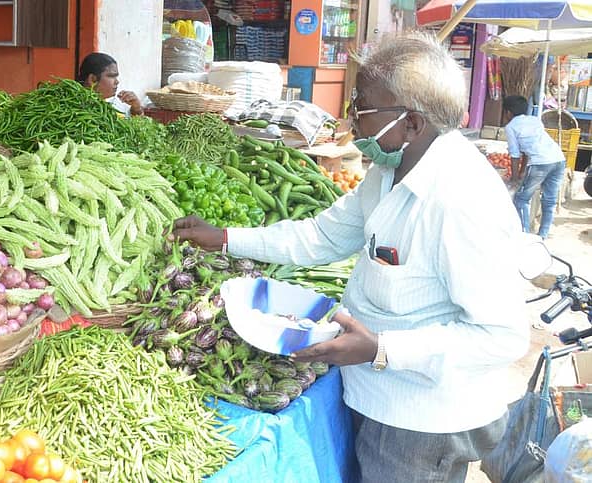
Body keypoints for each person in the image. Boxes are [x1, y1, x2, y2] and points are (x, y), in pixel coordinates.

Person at [170, 32, 528, 483]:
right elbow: (321, 236)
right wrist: (223, 237)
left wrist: (382, 350)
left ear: (412, 123)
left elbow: (502, 336)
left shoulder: (459, 203)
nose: (350, 119)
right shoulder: (390, 171)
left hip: (421, 423)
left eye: (361, 107)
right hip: (377, 397)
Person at [504, 95, 566, 240]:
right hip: (558, 159)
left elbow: (515, 155)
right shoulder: (534, 120)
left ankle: (525, 236)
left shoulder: (511, 126)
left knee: (521, 200)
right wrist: (521, 173)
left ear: (508, 113)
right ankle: (543, 235)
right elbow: (526, 150)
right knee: (549, 200)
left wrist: (514, 179)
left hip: (540, 163)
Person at [77, 53, 143, 118]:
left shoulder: (116, 103)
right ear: (93, 79)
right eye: (112, 76)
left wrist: (137, 110)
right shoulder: (75, 107)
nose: (117, 82)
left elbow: (137, 124)